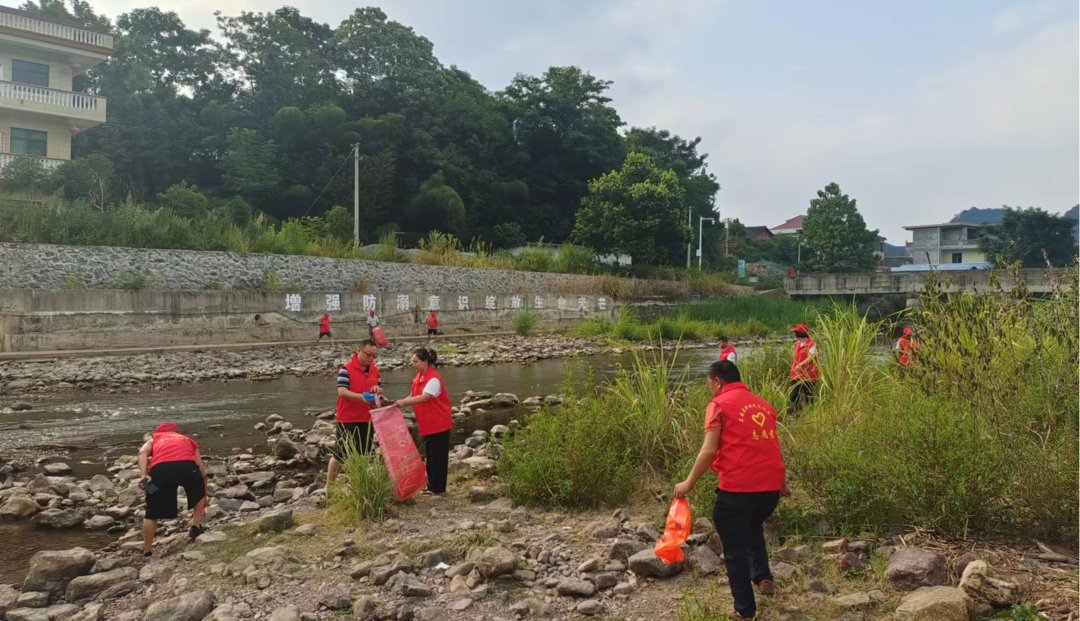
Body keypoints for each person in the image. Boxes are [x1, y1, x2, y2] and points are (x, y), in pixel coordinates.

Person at [674, 361, 789, 621]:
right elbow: (772, 447)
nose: (710, 389)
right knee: (752, 527)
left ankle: (744, 611)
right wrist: (783, 482)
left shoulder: (719, 404)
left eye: (709, 384)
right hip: (769, 490)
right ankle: (763, 577)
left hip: (739, 490)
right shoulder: (763, 405)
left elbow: (709, 450)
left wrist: (687, 483)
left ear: (717, 381)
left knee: (735, 550)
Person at [137, 423, 209, 557]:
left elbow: (141, 453)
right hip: (187, 468)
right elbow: (202, 472)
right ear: (176, 431)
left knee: (152, 510)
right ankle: (196, 526)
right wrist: (204, 493)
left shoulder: (154, 439)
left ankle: (147, 549)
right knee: (197, 489)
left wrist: (144, 476)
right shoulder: (187, 439)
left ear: (158, 432)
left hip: (160, 471)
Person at [393, 348, 452, 496]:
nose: (413, 364)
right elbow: (413, 395)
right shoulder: (419, 377)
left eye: (416, 362)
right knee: (430, 456)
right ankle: (431, 486)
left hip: (439, 423)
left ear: (425, 362)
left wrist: (403, 403)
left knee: (438, 457)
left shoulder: (433, 379)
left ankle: (438, 488)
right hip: (428, 423)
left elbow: (425, 397)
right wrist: (397, 403)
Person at [329, 340, 383, 485]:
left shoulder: (374, 370)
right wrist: (362, 397)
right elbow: (342, 392)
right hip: (347, 419)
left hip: (367, 418)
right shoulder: (345, 369)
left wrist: (377, 390)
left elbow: (379, 387)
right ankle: (329, 488)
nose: (371, 358)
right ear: (359, 350)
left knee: (363, 454)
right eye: (368, 354)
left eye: (374, 355)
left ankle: (359, 485)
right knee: (340, 454)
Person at [789, 323, 818, 410]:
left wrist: (800, 365)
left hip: (808, 375)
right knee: (793, 395)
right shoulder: (798, 344)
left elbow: (811, 357)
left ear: (799, 334)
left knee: (808, 395)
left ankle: (809, 412)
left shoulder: (812, 344)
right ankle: (794, 411)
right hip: (796, 374)